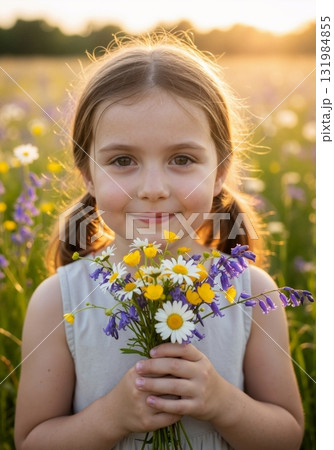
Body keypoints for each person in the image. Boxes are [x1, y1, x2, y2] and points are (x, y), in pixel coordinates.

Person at [14, 33, 304, 449]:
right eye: (122, 161)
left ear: (220, 170)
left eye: (182, 159)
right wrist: (110, 418)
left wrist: (224, 404)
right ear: (88, 174)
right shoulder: (58, 300)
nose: (152, 188)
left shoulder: (252, 293)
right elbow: (31, 441)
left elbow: (288, 436)